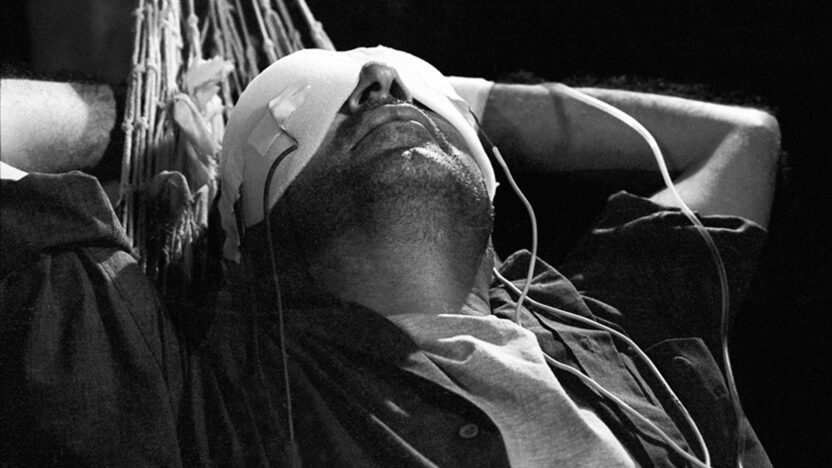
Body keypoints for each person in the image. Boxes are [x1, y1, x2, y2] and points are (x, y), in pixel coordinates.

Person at [0, 45, 780, 467]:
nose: (381, 79)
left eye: (408, 83)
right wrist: (133, 122)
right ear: (242, 231)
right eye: (305, 100)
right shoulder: (191, 409)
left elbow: (744, 140)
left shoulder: (615, 335)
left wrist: (470, 100)